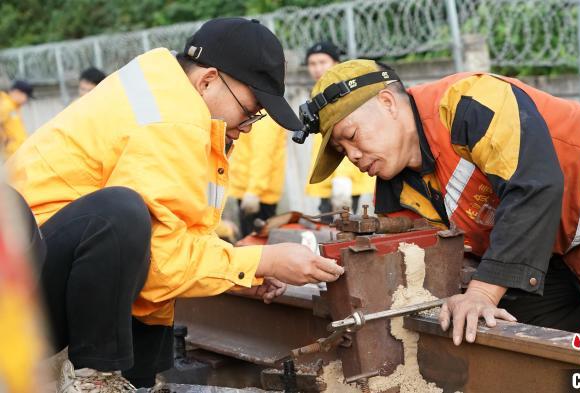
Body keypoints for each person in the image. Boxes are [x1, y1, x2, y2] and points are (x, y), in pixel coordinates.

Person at [6, 18, 344, 391]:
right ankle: (95, 379)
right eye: (251, 108)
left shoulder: (168, 95)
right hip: (18, 295)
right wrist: (262, 260)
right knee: (119, 214)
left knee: (139, 245)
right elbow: (160, 262)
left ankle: (129, 380)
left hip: (42, 272)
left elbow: (173, 237)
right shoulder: (170, 120)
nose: (250, 124)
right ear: (208, 80)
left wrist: (244, 275)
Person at [303, 59, 580, 353]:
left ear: (388, 103)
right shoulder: (394, 185)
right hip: (554, 247)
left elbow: (534, 186)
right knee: (544, 344)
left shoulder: (468, 103)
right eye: (342, 150)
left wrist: (481, 294)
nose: (353, 155)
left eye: (351, 136)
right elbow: (417, 261)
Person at [304, 42, 375, 216]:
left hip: (345, 180)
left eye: (322, 62)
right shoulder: (318, 92)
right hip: (328, 178)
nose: (317, 68)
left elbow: (347, 137)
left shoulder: (343, 93)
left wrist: (343, 178)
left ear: (336, 63)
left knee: (341, 230)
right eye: (312, 64)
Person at [229, 111, 287, 237]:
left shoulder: (264, 118)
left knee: (254, 245)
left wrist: (254, 192)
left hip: (258, 197)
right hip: (250, 192)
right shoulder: (255, 114)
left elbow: (262, 157)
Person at [0, 80, 32, 158]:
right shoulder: (6, 106)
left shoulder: (14, 107)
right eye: (26, 96)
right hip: (13, 153)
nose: (26, 100)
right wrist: (5, 140)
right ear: (17, 92)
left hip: (18, 151)